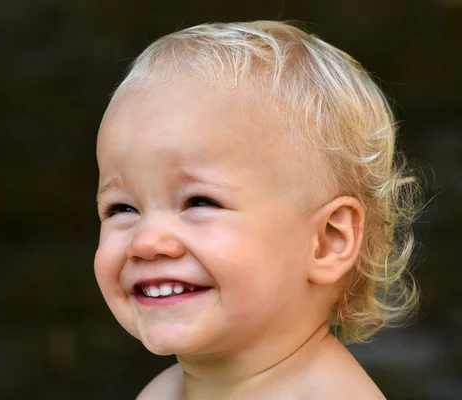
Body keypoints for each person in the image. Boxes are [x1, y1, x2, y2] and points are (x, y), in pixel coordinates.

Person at [94, 21, 421, 399]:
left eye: (200, 202)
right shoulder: (162, 392)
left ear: (327, 241)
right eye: (121, 208)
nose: (146, 241)